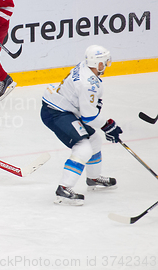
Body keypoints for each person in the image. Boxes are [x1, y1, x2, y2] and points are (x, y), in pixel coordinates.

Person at [40, 45, 122, 206]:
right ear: (98, 64)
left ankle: (93, 178)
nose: (106, 65)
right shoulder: (88, 84)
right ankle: (64, 189)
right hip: (55, 112)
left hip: (65, 108)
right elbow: (89, 117)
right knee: (83, 148)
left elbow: (87, 109)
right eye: (105, 62)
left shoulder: (86, 67)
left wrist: (103, 122)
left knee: (95, 141)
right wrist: (108, 125)